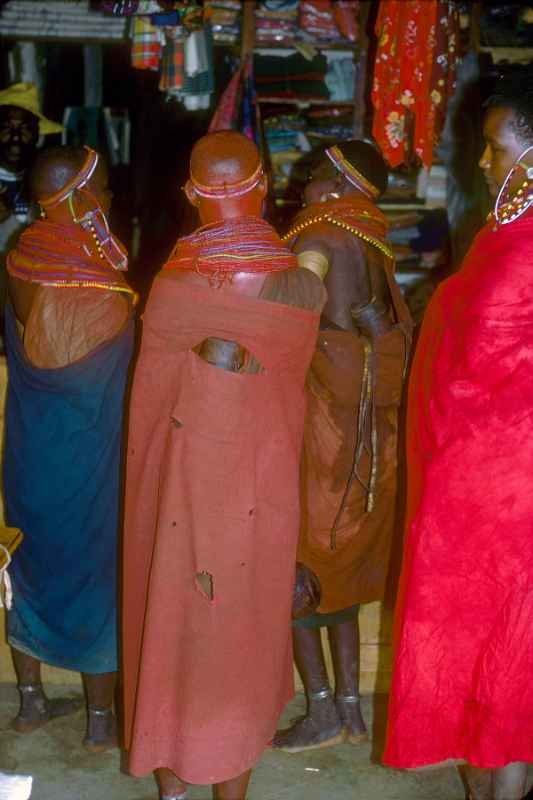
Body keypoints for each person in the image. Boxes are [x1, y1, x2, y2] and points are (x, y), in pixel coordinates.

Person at [121, 130, 326, 800]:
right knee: (237, 635)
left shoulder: (168, 283)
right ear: (264, 183)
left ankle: (172, 789)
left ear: (189, 193)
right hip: (254, 497)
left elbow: (150, 398)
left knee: (167, 620)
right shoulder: (295, 283)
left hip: (171, 491)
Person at [383, 76, 533, 800]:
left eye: (493, 146)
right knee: (472, 651)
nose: (480, 162)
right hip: (466, 488)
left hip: (510, 497)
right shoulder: (500, 232)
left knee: (504, 658)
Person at [273, 140, 412, 753]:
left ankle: (323, 709)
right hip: (368, 429)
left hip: (323, 428)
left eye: (314, 171)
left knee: (299, 570)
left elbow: (294, 309)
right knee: (345, 569)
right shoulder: (374, 238)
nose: (304, 180)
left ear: (336, 181)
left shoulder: (319, 235)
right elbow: (377, 330)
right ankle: (352, 709)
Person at [4, 145, 136, 752]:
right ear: (82, 199)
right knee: (95, 574)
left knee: (27, 563)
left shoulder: (19, 257)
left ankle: (31, 701)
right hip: (92, 460)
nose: (110, 200)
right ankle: (101, 720)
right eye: (104, 189)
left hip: (30, 452)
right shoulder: (100, 289)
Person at [0, 83, 62, 306]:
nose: (15, 137)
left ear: (37, 134)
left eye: (24, 128)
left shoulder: (50, 180)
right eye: (6, 128)